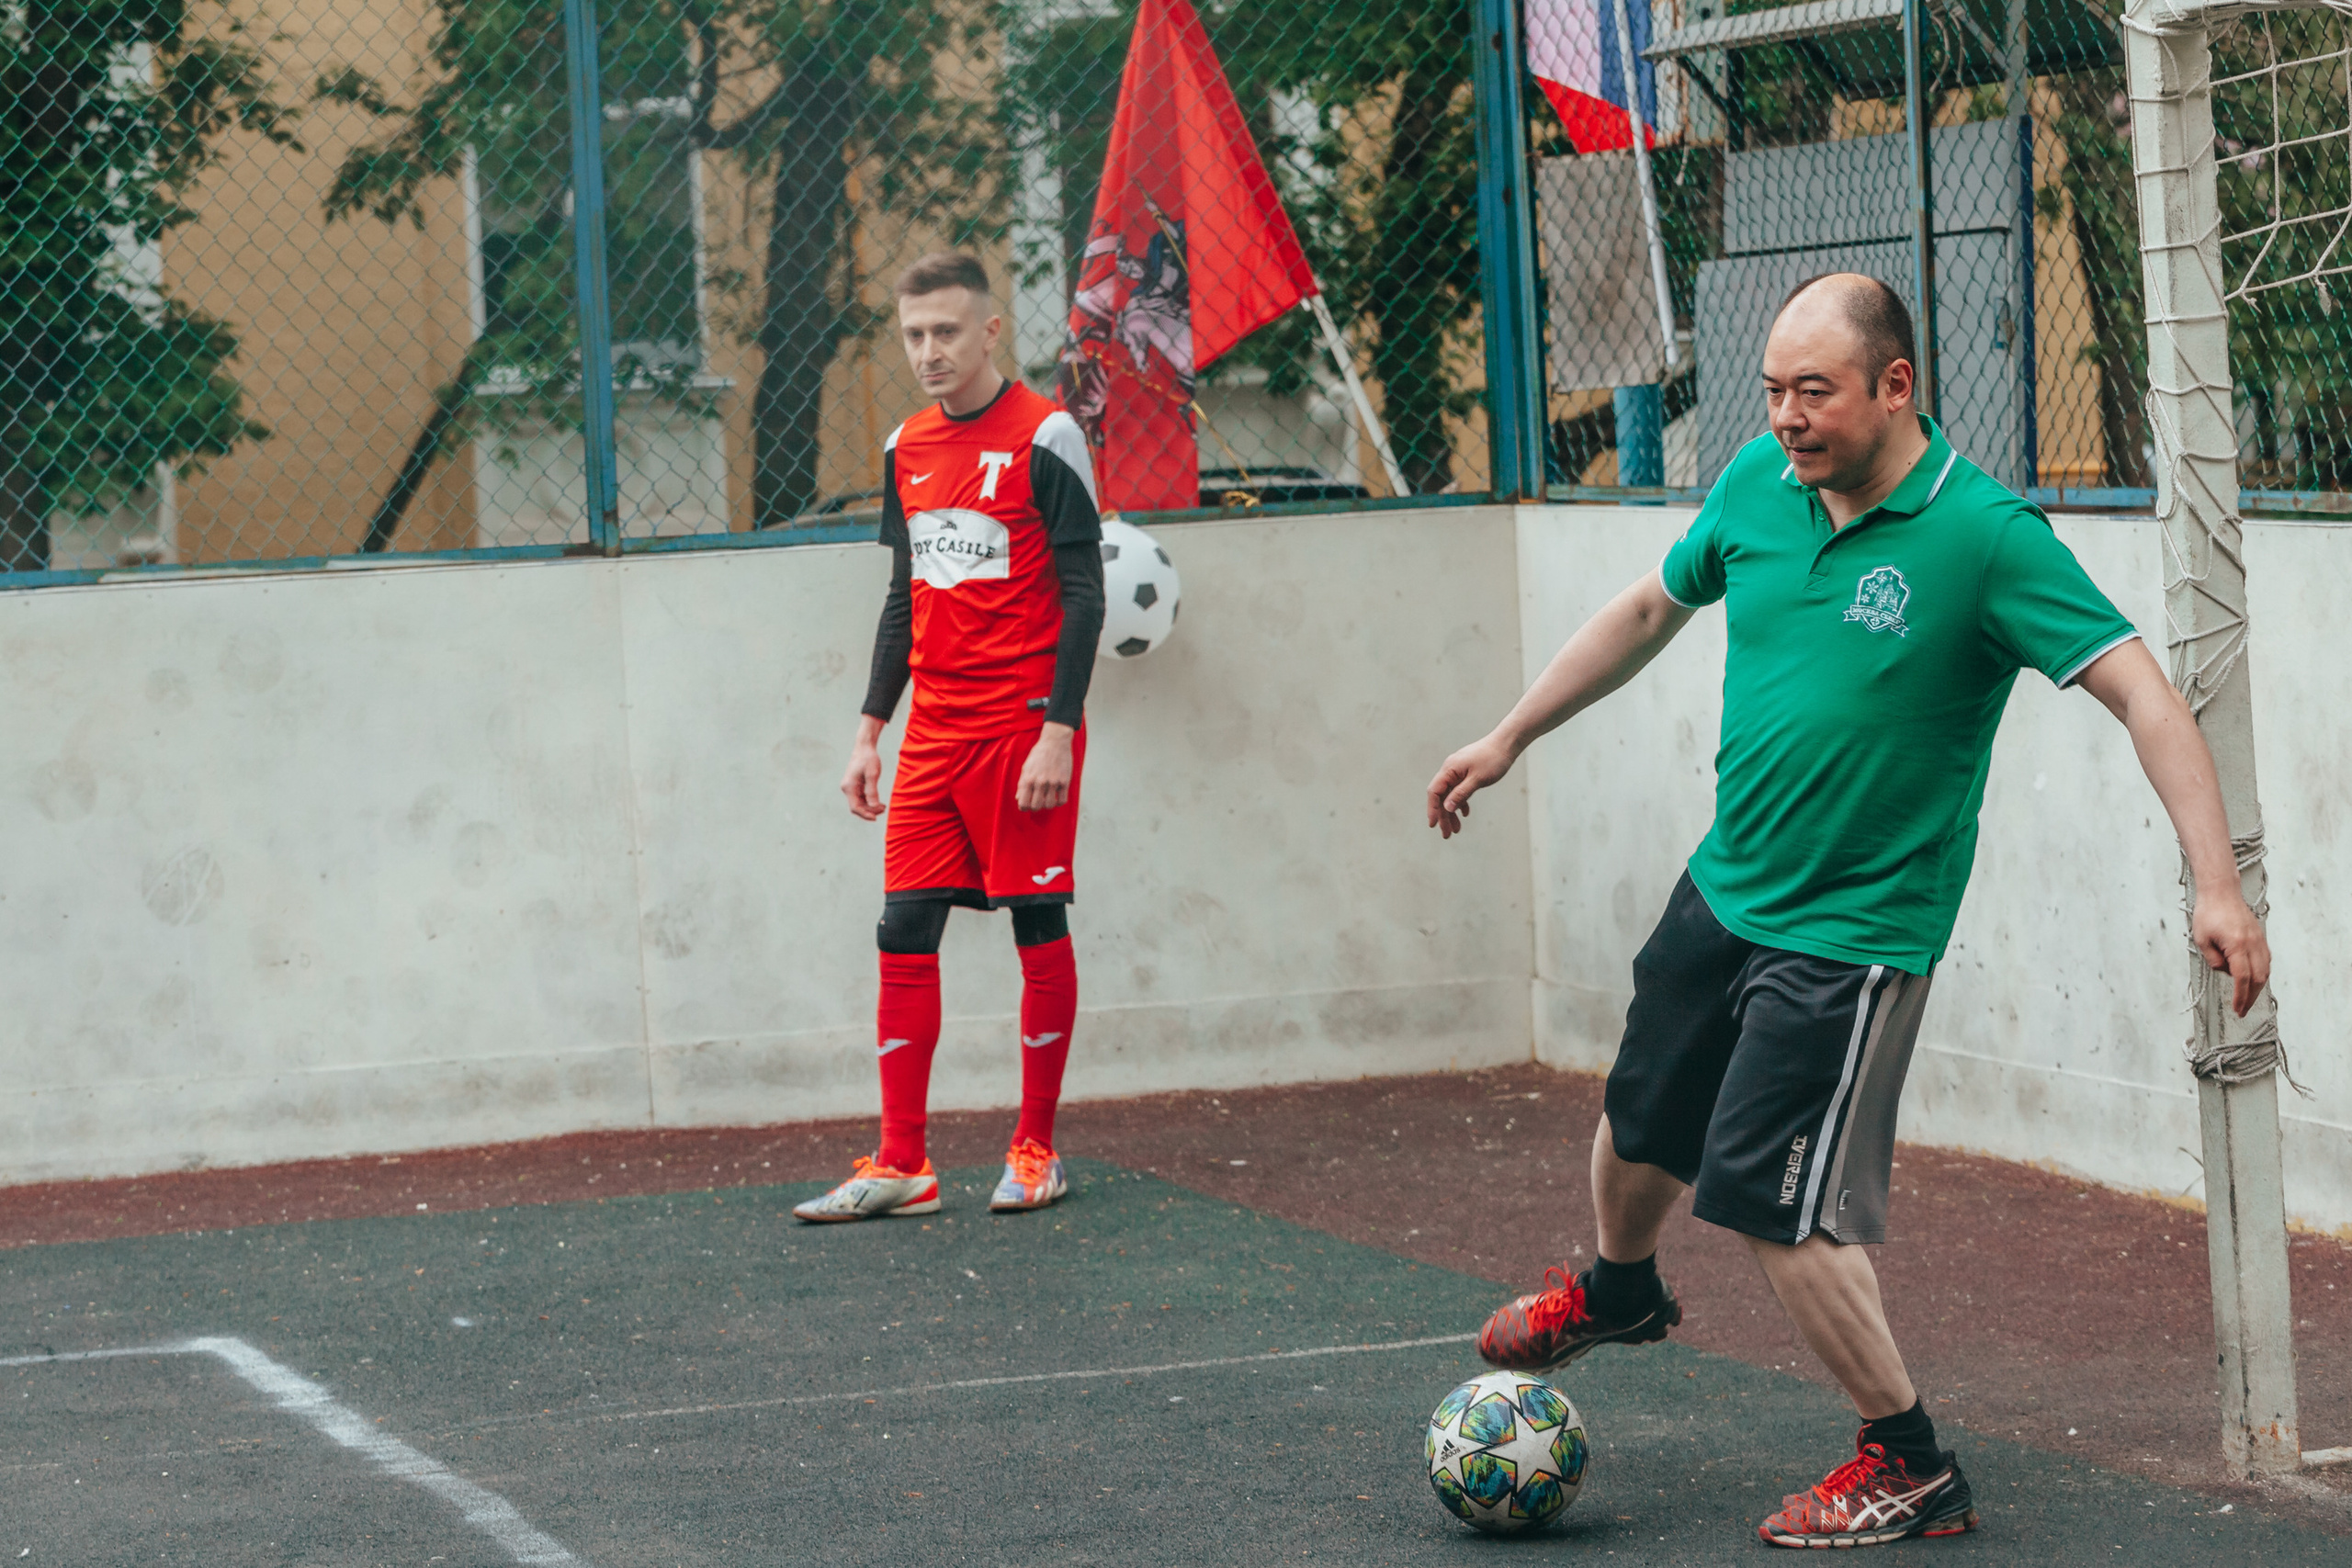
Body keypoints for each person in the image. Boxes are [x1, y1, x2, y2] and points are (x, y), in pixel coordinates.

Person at [1425, 272, 2270, 1549]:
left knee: (1779, 1202)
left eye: (1812, 392)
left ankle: (1911, 1458)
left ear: (1895, 386)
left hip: (1854, 937)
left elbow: (2146, 695)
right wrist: (1508, 734)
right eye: (1770, 390)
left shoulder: (1983, 536)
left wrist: (2217, 880)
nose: (1784, 418)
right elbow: (1652, 605)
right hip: (1727, 886)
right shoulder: (1760, 488)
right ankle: (1618, 1285)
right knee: (1640, 1120)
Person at [795, 252, 1106, 1224]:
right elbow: (905, 596)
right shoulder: (907, 445)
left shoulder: (1047, 435)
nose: (927, 352)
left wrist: (1059, 730)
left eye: (944, 332)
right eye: (912, 335)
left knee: (1034, 923)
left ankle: (1035, 1148)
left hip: (1022, 729)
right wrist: (867, 733)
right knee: (902, 926)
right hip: (933, 730)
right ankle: (902, 1164)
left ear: (988, 332)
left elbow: (1086, 593)